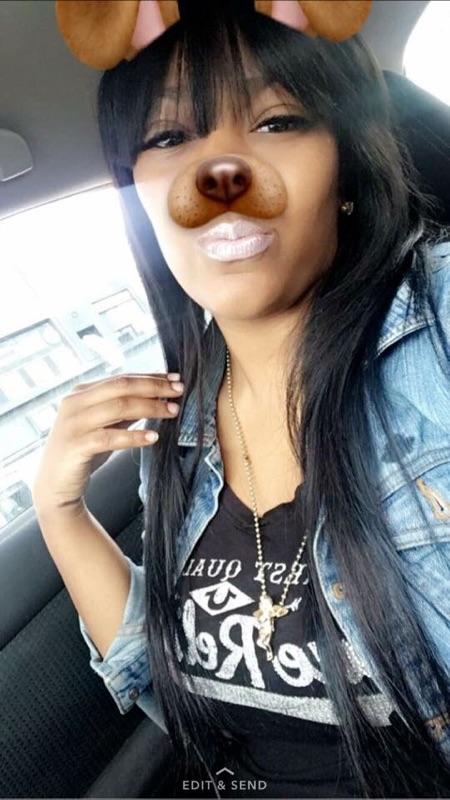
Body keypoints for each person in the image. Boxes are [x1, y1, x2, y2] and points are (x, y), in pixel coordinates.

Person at [34, 1, 450, 797]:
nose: (220, 173)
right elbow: (173, 689)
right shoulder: (177, 424)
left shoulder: (437, 320)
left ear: (346, 168)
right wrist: (60, 510)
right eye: (169, 138)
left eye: (277, 122)